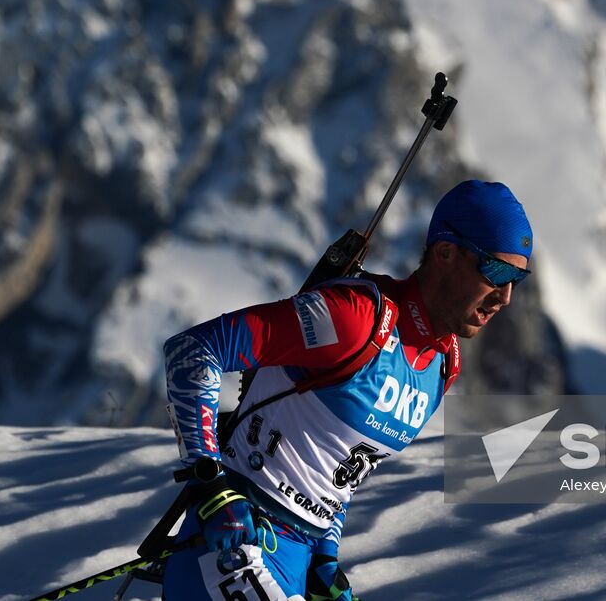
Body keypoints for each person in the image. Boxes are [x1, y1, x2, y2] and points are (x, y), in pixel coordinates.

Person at [157, 180, 533, 600]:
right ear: (445, 252)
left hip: (295, 560)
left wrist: (325, 557)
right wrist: (209, 484)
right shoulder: (355, 318)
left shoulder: (443, 364)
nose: (506, 297)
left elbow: (344, 466)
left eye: (518, 279)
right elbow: (194, 350)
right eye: (497, 272)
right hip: (229, 543)